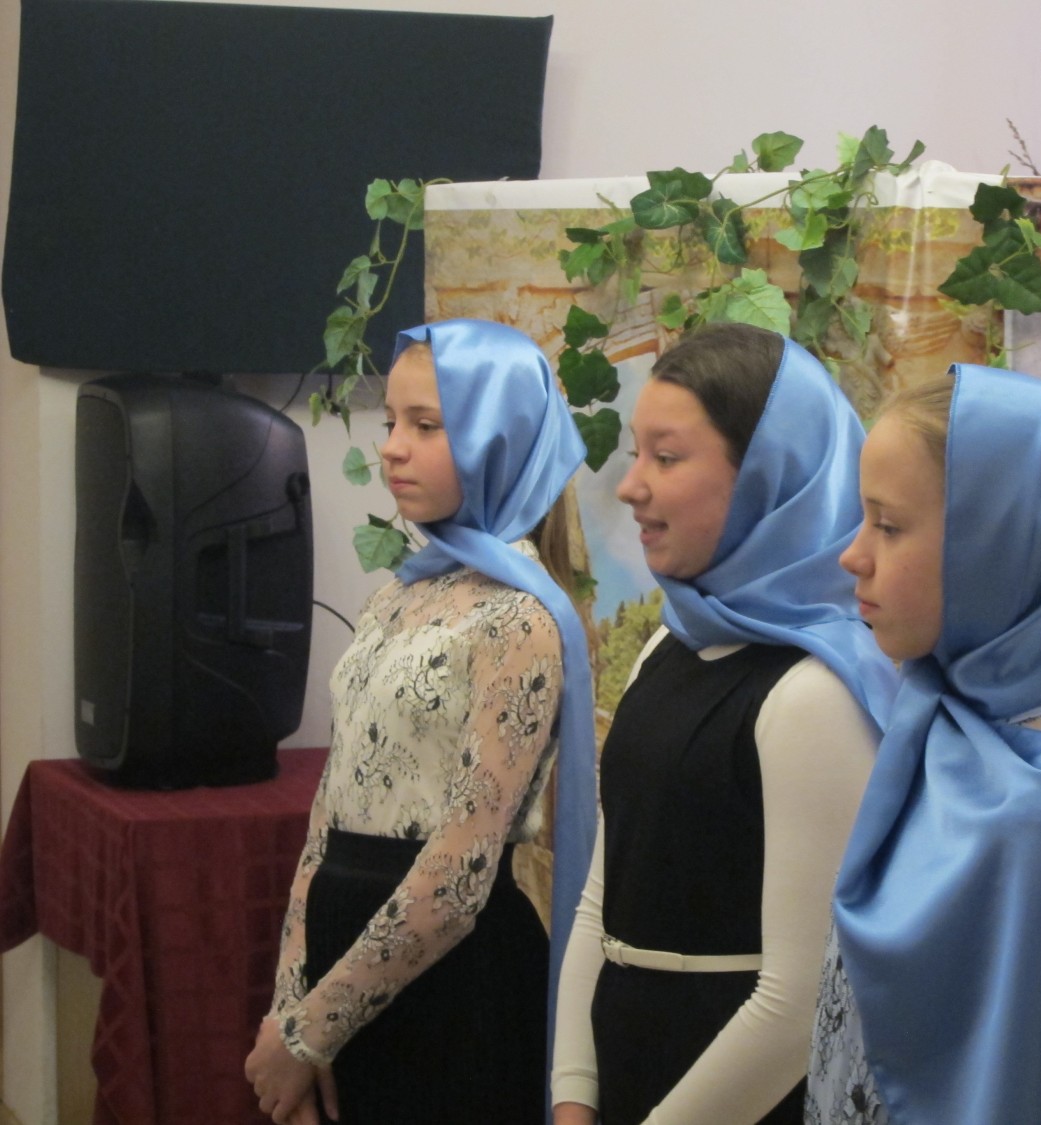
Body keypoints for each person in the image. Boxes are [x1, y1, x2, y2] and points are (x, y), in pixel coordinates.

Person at [806, 366, 1041, 1124]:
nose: (853, 554)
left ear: (996, 554)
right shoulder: (950, 737)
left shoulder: (1040, 817)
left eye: (888, 525)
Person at [245, 319, 597, 1125]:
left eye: (426, 425)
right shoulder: (395, 597)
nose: (393, 447)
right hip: (341, 981)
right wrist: (290, 1005)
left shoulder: (519, 619)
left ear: (497, 439)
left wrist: (310, 1030)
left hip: (451, 994)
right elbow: (327, 816)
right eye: (391, 421)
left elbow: (461, 873)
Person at [551, 323, 898, 1125]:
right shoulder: (668, 648)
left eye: (666, 458)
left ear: (766, 476)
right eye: (635, 453)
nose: (631, 485)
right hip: (628, 1073)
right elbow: (601, 898)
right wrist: (572, 1093)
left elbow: (798, 1003)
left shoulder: (813, 693)